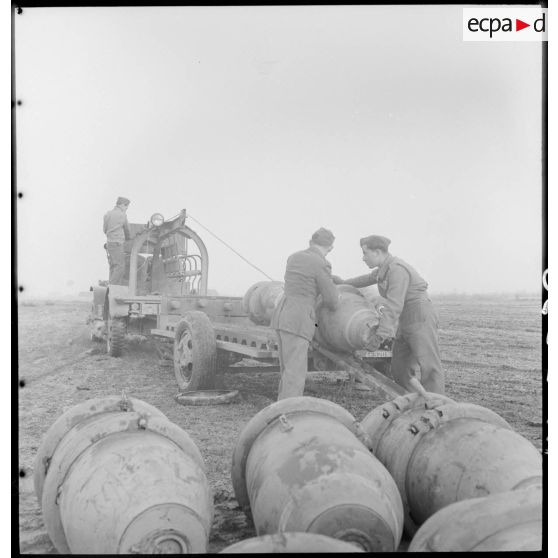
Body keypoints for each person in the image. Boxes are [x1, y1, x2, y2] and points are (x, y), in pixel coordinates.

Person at [333, 235, 444, 395]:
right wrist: (342, 282)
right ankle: (420, 400)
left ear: (377, 252)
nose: (363, 258)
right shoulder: (384, 271)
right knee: (399, 369)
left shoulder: (397, 270)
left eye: (365, 253)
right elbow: (364, 280)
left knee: (429, 367)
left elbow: (393, 306)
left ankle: (438, 409)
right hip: (405, 319)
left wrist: (379, 336)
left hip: (419, 316)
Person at [271, 228, 340, 400]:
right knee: (295, 374)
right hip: (299, 320)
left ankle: (281, 409)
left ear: (310, 242)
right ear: (330, 248)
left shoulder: (294, 257)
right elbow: (331, 300)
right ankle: (288, 414)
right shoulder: (321, 263)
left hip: (282, 315)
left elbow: (303, 280)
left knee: (287, 370)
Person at [103, 197, 131, 285]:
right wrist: (129, 238)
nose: (126, 209)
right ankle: (112, 287)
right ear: (122, 205)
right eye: (126, 207)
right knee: (120, 266)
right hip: (118, 243)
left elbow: (104, 229)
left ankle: (111, 287)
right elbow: (127, 230)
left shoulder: (108, 214)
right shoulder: (122, 215)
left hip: (110, 242)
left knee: (113, 265)